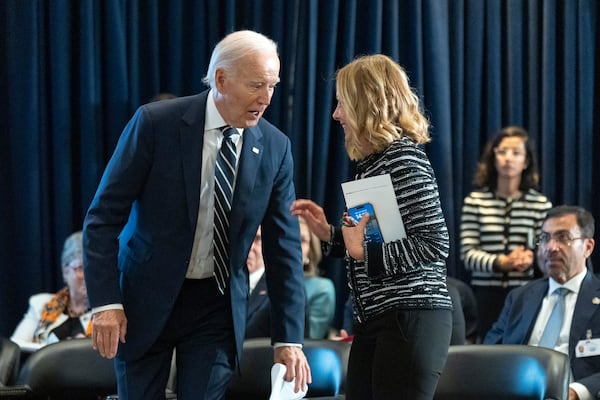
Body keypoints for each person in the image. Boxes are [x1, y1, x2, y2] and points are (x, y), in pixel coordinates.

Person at [82, 30, 310, 400]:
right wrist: (107, 303)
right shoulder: (156, 124)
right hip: (144, 298)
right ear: (221, 79)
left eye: (273, 85)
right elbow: (103, 218)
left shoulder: (275, 147)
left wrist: (288, 340)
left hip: (215, 306)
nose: (267, 98)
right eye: (257, 85)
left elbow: (284, 248)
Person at [291, 54, 453, 400]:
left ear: (368, 103)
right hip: (379, 320)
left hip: (410, 318)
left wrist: (363, 251)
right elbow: (378, 239)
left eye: (342, 104)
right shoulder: (375, 163)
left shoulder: (403, 159)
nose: (336, 115)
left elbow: (434, 244)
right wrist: (330, 235)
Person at [484, 205, 600, 400]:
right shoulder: (519, 297)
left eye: (563, 237)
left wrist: (575, 392)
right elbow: (488, 354)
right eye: (545, 238)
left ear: (588, 247)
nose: (551, 247)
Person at [460, 126, 552, 340]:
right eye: (502, 152)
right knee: (488, 353)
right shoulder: (475, 202)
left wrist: (532, 256)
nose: (508, 158)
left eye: (516, 153)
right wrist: (501, 262)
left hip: (525, 293)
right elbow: (468, 254)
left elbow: (545, 248)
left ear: (526, 161)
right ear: (493, 158)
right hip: (486, 295)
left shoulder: (539, 204)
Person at [11, 231, 91, 352]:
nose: (89, 275)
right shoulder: (41, 304)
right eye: (81, 268)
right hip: (45, 370)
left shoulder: (107, 313)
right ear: (65, 272)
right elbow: (15, 347)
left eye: (93, 269)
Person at [299, 217, 336, 339]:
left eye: (302, 240)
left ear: (310, 251)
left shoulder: (321, 288)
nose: (295, 246)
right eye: (289, 239)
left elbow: (310, 339)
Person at [245, 227, 271, 338]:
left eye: (257, 239)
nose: (250, 246)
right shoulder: (221, 283)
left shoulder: (278, 289)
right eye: (245, 238)